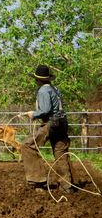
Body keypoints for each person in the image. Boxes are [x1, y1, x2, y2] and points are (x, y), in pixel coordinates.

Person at [22, 64, 75, 193]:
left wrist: (33, 114)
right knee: (60, 152)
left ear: (38, 79)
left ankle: (38, 180)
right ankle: (66, 185)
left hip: (51, 123)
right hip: (62, 123)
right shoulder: (55, 89)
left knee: (28, 146)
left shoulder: (43, 91)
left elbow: (45, 110)